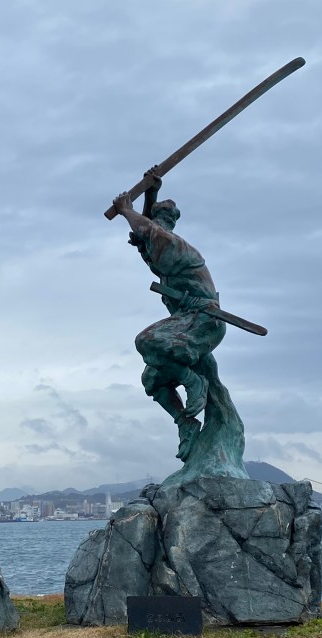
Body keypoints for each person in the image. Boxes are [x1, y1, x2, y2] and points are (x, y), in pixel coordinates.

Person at [113, 175, 226, 460]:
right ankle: (185, 424)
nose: (141, 243)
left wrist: (128, 210)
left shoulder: (174, 247)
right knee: (153, 379)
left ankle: (193, 382)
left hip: (203, 320)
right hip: (186, 323)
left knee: (147, 342)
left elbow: (147, 229)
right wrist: (151, 192)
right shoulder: (158, 250)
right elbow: (146, 233)